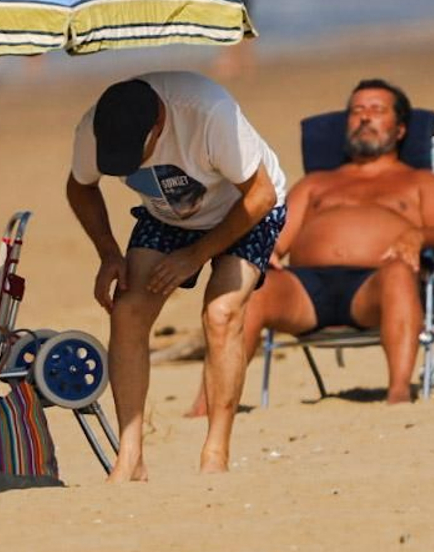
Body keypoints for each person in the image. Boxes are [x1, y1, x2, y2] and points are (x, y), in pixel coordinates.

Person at [66, 72, 287, 479]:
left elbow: (261, 195)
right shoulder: (93, 126)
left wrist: (196, 255)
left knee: (221, 313)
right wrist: (108, 252)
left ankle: (215, 454)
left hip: (246, 208)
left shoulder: (210, 114)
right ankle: (130, 457)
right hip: (167, 215)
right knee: (128, 311)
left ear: (159, 124)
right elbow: (80, 187)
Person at [189, 79, 434, 411]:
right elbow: (277, 239)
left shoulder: (421, 182)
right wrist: (267, 254)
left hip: (375, 288)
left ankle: (399, 393)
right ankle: (206, 406)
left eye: (377, 110)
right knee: (251, 287)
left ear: (400, 129)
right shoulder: (316, 183)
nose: (364, 117)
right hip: (305, 290)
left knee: (399, 275)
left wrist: (419, 236)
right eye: (357, 110)